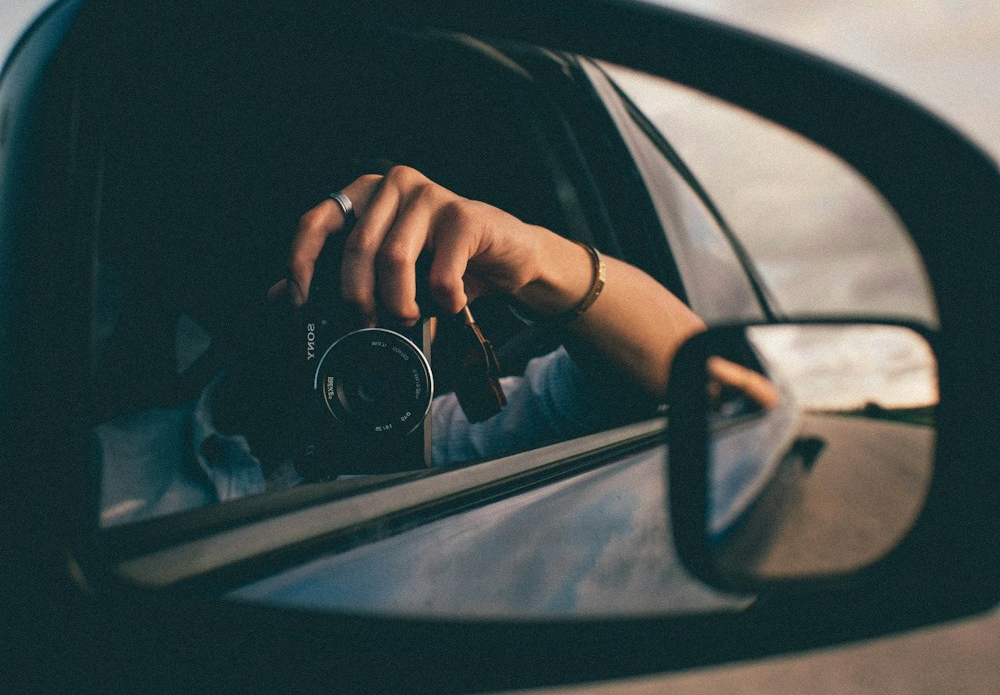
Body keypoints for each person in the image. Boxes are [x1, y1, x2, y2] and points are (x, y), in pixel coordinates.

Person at [97, 165, 707, 525]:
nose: (354, 337)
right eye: (324, 297)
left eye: (388, 309)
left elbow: (688, 376)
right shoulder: (99, 467)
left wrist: (538, 259)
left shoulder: (426, 447)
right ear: (234, 300)